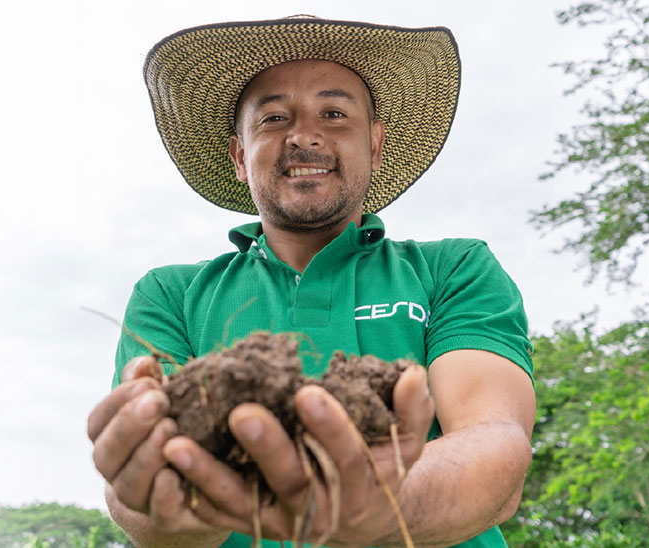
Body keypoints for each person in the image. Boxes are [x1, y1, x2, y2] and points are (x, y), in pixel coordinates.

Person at [85, 16, 537, 548]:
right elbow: (144, 491)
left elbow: (496, 445)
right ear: (238, 156)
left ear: (375, 143)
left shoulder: (455, 269)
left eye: (334, 113)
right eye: (274, 118)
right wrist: (161, 498)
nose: (304, 135)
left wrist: (374, 503)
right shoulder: (171, 294)